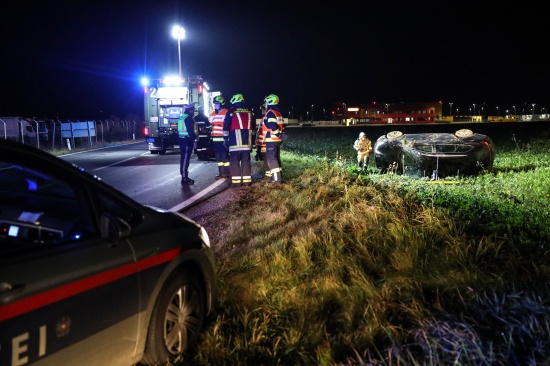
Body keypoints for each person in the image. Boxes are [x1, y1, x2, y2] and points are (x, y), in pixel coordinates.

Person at [223, 94, 255, 187]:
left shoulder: (231, 111)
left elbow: (226, 126)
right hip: (247, 142)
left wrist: (225, 138)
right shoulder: (250, 111)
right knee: (246, 161)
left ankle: (236, 183)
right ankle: (247, 182)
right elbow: (253, 129)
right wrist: (252, 141)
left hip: (235, 142)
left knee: (234, 161)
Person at [262, 94, 284, 184]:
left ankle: (276, 180)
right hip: (277, 140)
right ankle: (279, 177)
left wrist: (277, 133)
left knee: (272, 159)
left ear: (270, 102)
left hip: (271, 139)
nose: (265, 104)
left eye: (266, 102)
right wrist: (279, 135)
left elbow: (272, 125)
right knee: (277, 158)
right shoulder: (278, 112)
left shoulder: (270, 112)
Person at [210, 95, 230, 179]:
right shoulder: (213, 114)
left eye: (217, 103)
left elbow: (228, 124)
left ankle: (227, 172)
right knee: (218, 156)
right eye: (214, 104)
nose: (215, 105)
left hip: (223, 137)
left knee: (224, 155)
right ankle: (221, 172)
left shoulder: (226, 112)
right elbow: (211, 124)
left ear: (221, 103)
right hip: (215, 138)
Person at [178, 102, 197, 185]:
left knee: (184, 159)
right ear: (190, 110)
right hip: (186, 141)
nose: (193, 111)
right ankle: (184, 178)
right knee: (185, 159)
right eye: (193, 110)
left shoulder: (182, 117)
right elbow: (190, 130)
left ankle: (184, 176)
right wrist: (194, 141)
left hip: (182, 140)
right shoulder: (188, 118)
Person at [254, 103, 270, 180]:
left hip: (266, 143)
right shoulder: (263, 118)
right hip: (263, 144)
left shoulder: (267, 118)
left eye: (263, 109)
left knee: (268, 160)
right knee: (266, 160)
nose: (262, 111)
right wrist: (258, 148)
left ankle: (269, 176)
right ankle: (268, 175)